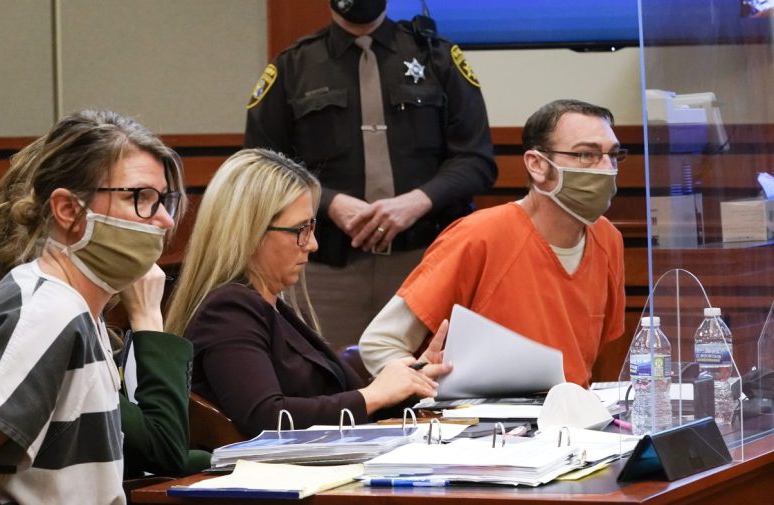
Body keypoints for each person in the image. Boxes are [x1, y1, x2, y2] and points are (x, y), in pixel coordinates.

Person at [0, 110, 198, 504]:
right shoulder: (46, 311)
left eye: (165, 201)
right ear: (69, 210)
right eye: (140, 197)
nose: (163, 220)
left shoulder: (72, 309)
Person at [244, 0, 497, 349]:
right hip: (326, 267)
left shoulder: (436, 58)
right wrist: (328, 201)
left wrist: (416, 202)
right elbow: (261, 167)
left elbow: (477, 160)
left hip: (425, 258)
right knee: (324, 385)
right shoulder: (294, 66)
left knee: (432, 384)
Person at [165, 148, 451, 438]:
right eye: (301, 229)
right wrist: (375, 394)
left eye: (312, 227)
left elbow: (342, 405)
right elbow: (267, 418)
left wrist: (410, 383)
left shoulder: (272, 307)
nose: (312, 244)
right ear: (251, 231)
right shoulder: (229, 309)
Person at [360, 99, 626, 389]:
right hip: (484, 427)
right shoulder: (480, 235)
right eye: (586, 155)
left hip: (571, 422)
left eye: (612, 155)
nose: (606, 168)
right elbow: (380, 343)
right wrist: (427, 390)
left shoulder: (608, 240)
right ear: (537, 165)